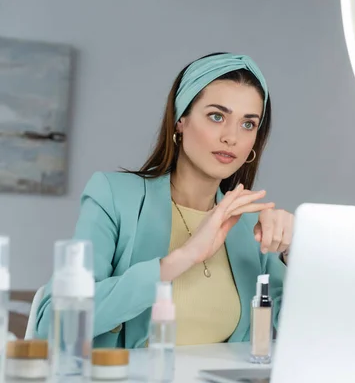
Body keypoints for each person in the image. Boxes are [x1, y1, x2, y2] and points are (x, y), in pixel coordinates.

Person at [34, 52, 293, 348]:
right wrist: (184, 257)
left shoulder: (250, 223)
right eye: (217, 116)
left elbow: (307, 330)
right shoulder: (114, 196)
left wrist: (295, 253)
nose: (231, 137)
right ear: (180, 121)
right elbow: (51, 325)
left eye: (248, 124)